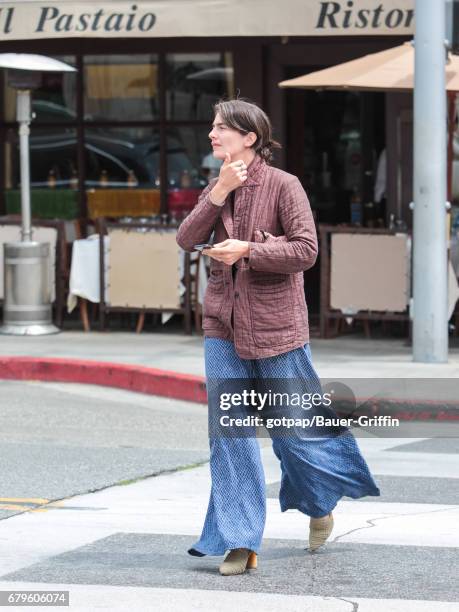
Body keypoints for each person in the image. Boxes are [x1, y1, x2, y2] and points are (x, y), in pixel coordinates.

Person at [176, 98, 380, 576]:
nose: (212, 134)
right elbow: (187, 239)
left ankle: (320, 500)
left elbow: (306, 250)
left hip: (277, 329)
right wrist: (219, 192)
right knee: (230, 435)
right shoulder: (218, 185)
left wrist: (248, 249)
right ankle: (239, 539)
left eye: (221, 128)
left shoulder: (285, 186)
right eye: (212, 127)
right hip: (222, 327)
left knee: (296, 434)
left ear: (249, 137)